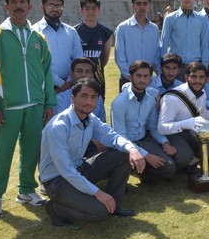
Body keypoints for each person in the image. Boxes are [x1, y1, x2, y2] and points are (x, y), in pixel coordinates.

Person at [0, 0, 56, 219]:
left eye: (22, 1)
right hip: (7, 107)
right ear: (6, 7)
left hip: (35, 105)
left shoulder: (39, 38)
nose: (18, 5)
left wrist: (49, 102)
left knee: (31, 150)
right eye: (13, 2)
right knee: (2, 154)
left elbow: (47, 73)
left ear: (30, 6)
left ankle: (26, 190)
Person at [40, 79, 145, 226]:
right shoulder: (58, 127)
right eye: (84, 96)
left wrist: (132, 149)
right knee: (100, 212)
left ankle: (114, 205)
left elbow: (112, 136)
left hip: (79, 168)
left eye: (93, 97)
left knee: (123, 154)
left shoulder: (90, 118)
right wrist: (98, 193)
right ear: (72, 98)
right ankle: (56, 208)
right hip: (57, 180)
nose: (88, 102)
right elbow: (66, 170)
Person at [110, 61, 176, 183]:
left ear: (150, 79)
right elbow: (120, 136)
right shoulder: (119, 103)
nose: (142, 80)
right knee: (159, 166)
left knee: (169, 167)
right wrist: (146, 155)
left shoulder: (151, 100)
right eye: (138, 76)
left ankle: (142, 170)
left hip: (143, 140)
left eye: (146, 76)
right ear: (130, 77)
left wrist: (165, 143)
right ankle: (136, 168)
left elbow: (153, 127)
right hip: (125, 146)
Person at [158, 62, 209, 174]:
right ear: (186, 77)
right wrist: (186, 123)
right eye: (193, 76)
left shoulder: (202, 92)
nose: (198, 81)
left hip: (191, 132)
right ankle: (179, 164)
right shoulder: (171, 98)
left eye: (201, 77)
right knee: (184, 156)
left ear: (206, 79)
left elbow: (201, 115)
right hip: (173, 135)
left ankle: (191, 163)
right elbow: (162, 128)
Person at [32, 0, 84, 94]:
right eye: (51, 5)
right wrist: (60, 83)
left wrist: (69, 81)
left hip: (71, 86)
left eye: (58, 5)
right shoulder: (34, 32)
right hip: (45, 87)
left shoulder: (71, 31)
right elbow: (36, 64)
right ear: (42, 6)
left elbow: (78, 59)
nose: (55, 8)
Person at [160, 0, 209, 81]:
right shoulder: (170, 18)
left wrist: (204, 66)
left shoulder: (202, 19)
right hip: (176, 67)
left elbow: (204, 45)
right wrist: (163, 66)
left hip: (195, 65)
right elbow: (164, 43)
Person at [114, 0, 161, 89]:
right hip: (128, 80)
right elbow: (120, 58)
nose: (142, 7)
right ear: (132, 5)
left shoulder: (154, 29)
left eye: (145, 3)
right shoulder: (122, 28)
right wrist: (131, 77)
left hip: (148, 81)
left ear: (149, 5)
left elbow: (156, 57)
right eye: (138, 3)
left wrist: (159, 76)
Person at [75, 0, 114, 99]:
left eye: (94, 8)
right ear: (81, 11)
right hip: (79, 80)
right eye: (87, 8)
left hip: (98, 80)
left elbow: (104, 60)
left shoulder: (106, 33)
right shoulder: (74, 31)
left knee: (97, 105)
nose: (91, 12)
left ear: (99, 11)